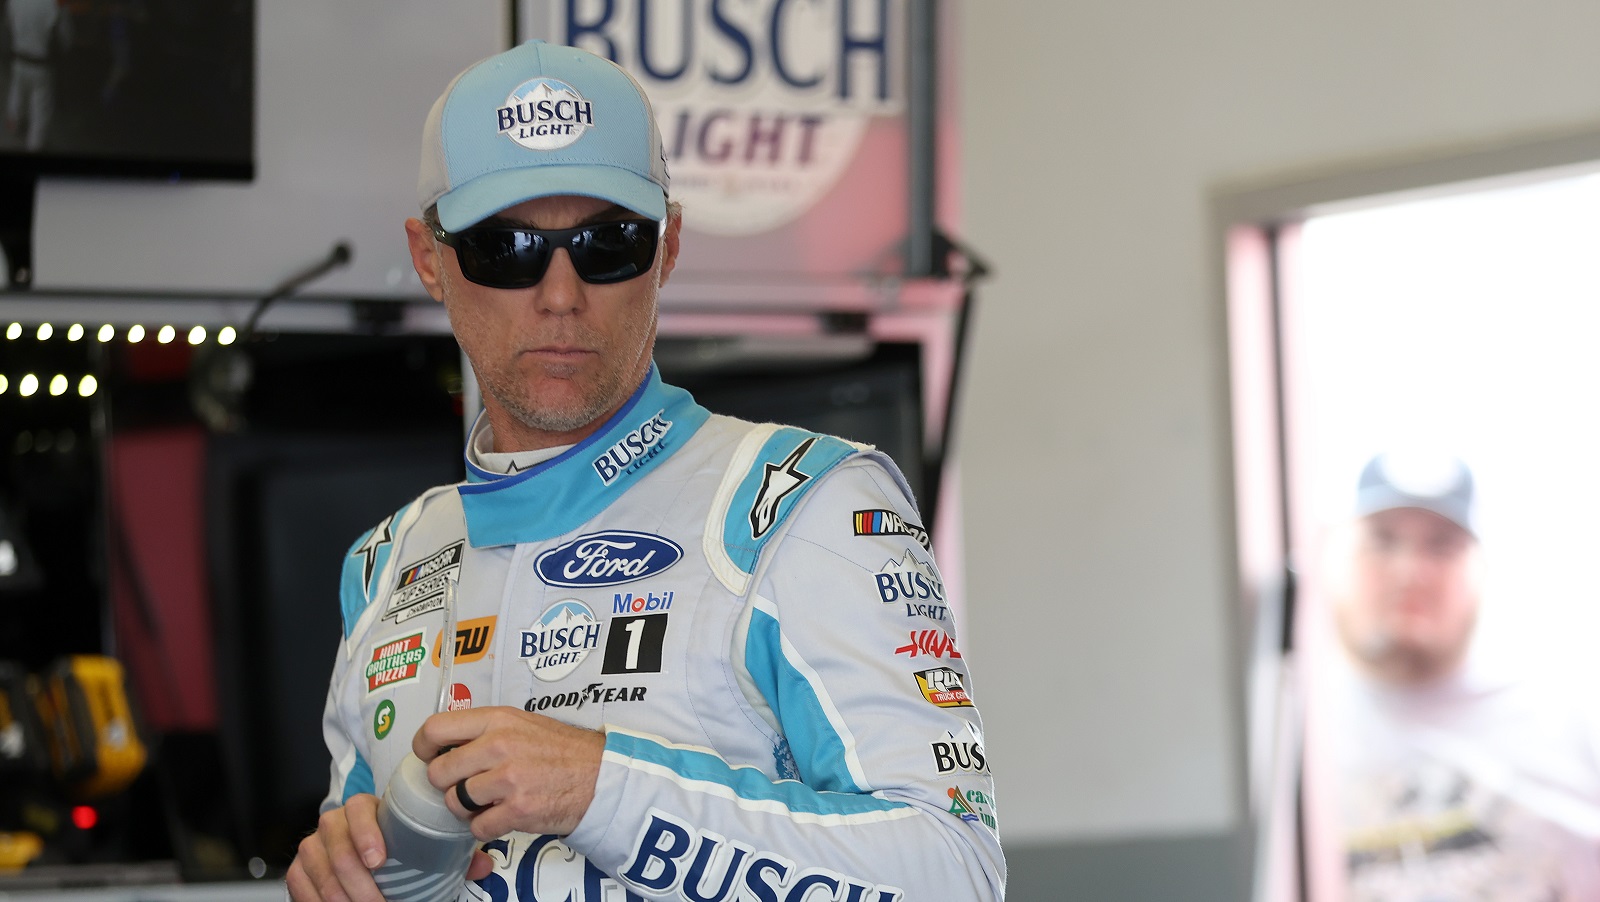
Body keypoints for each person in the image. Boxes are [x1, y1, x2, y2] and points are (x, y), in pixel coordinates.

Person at [285, 39, 1004, 902]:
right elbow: (369, 869)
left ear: (665, 251)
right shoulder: (385, 567)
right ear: (430, 260)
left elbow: (954, 877)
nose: (560, 294)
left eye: (608, 244)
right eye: (505, 249)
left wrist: (600, 788)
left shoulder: (804, 505)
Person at [1314, 450, 1600, 900]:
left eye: (1441, 547)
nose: (1410, 572)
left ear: (1480, 568)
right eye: (1383, 541)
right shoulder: (1287, 728)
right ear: (1332, 554)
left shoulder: (1570, 720)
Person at [4, 0, 71, 151]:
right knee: (40, 109)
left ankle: (14, 125)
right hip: (42, 64)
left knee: (17, 92)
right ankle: (35, 145)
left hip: (19, 59)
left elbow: (9, 25)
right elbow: (66, 39)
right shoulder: (57, 4)